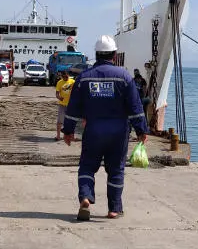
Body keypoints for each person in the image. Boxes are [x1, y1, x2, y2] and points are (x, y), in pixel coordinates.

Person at [62, 35, 148, 220]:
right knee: (116, 169)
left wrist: (68, 130)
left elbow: (73, 108)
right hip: (118, 132)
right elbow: (135, 107)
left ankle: (85, 198)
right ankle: (114, 209)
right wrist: (141, 130)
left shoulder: (84, 78)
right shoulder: (124, 77)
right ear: (115, 55)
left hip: (93, 131)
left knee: (87, 167)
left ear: (96, 54)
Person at [54, 71, 75, 141]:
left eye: (66, 76)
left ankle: (68, 136)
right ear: (61, 76)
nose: (65, 78)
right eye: (63, 77)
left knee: (70, 121)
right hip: (62, 104)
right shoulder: (59, 83)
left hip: (71, 105)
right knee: (60, 121)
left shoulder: (73, 82)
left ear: (68, 75)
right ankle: (58, 136)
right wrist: (59, 97)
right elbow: (57, 94)